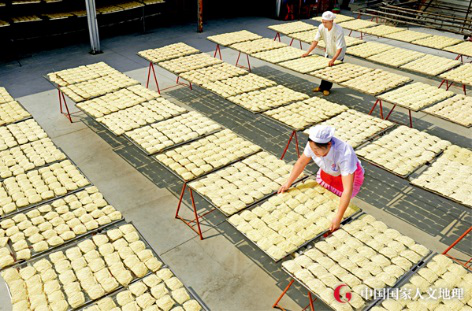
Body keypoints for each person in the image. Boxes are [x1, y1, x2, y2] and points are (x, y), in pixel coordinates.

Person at [278, 125, 364, 231]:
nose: (314, 152)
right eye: (312, 149)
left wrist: (338, 217)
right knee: (323, 197)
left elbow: (347, 189)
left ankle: (340, 221)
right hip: (328, 172)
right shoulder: (313, 144)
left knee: (336, 205)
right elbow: (301, 162)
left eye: (316, 150)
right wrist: (288, 183)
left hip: (345, 177)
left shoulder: (345, 154)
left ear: (328, 144)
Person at [302, 11, 347, 96]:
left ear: (331, 21)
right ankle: (321, 87)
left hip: (338, 53)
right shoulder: (321, 27)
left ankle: (327, 88)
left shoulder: (338, 30)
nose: (324, 24)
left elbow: (339, 48)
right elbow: (315, 41)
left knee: (331, 71)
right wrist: (307, 52)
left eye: (325, 22)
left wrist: (333, 59)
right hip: (329, 50)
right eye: (323, 22)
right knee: (325, 70)